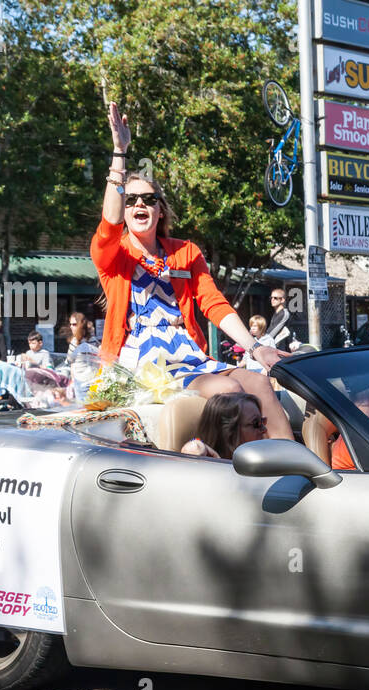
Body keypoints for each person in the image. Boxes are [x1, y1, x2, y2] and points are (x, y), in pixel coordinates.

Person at [92, 101, 291, 439]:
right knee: (228, 392)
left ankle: (297, 466)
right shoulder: (112, 255)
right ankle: (242, 470)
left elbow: (213, 303)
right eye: (131, 199)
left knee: (257, 381)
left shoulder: (185, 252)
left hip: (188, 355)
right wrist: (119, 152)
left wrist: (255, 348)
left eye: (149, 200)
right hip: (145, 364)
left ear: (161, 211)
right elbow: (108, 223)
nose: (139, 204)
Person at [181, 392, 267, 458]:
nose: (264, 429)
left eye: (263, 421)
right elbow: (194, 447)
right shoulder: (210, 468)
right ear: (229, 433)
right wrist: (195, 447)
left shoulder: (263, 460)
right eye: (257, 423)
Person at [66, 314, 100, 399]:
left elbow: (69, 360)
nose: (71, 327)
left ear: (81, 324)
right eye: (70, 324)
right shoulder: (92, 340)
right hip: (86, 377)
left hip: (87, 379)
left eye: (74, 324)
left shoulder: (76, 342)